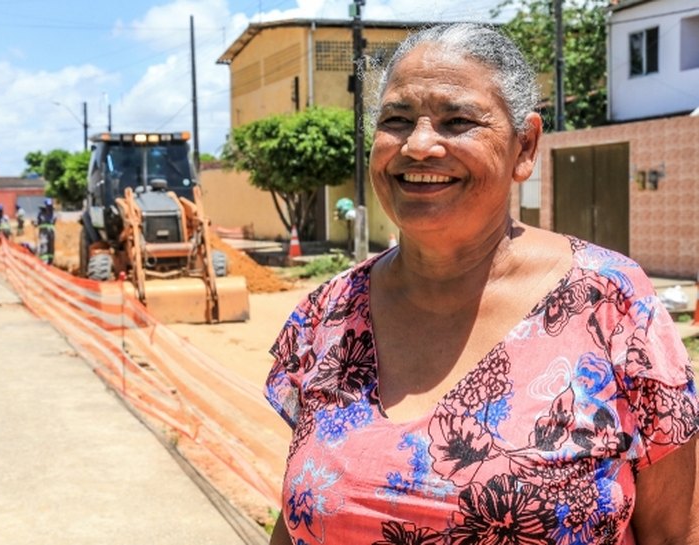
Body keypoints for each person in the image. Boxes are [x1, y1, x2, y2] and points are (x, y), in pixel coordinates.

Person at [265, 23, 698, 545]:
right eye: (396, 120)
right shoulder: (328, 313)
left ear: (525, 146)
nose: (419, 145)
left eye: (458, 120)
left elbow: (675, 534)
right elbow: (296, 520)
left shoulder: (612, 303)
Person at [36, 197, 56, 265]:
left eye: (50, 206)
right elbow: (38, 222)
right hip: (43, 233)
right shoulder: (41, 214)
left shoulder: (53, 213)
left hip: (51, 233)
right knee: (44, 246)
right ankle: (44, 263)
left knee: (51, 248)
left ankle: (50, 263)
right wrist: (35, 223)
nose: (49, 207)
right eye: (48, 206)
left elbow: (54, 221)